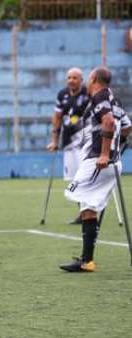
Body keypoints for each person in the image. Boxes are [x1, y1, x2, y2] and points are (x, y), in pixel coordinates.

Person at [61, 67, 131, 272]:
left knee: (71, 191)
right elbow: (127, 127)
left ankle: (86, 259)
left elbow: (108, 122)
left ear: (92, 79)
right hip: (109, 163)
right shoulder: (115, 101)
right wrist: (118, 148)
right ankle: (87, 261)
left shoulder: (100, 96)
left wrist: (104, 154)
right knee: (88, 206)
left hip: (96, 162)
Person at [47, 68, 89, 224]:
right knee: (73, 179)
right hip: (68, 143)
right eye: (69, 78)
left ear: (81, 80)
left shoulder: (87, 94)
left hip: (85, 143)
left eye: (75, 78)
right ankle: (82, 212)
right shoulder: (62, 94)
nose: (71, 80)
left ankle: (90, 212)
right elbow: (57, 117)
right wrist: (54, 140)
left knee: (84, 177)